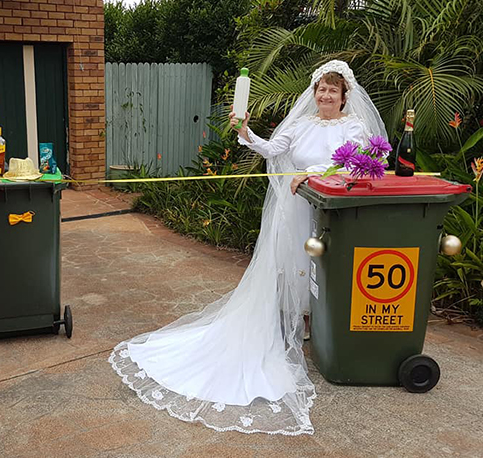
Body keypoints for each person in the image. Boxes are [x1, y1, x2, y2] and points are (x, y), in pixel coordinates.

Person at [109, 60, 387, 435]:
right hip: (295, 208)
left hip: (331, 210)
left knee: (325, 266)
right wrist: (244, 130)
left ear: (344, 95)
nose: (324, 96)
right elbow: (272, 149)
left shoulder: (355, 127)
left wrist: (316, 173)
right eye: (320, 89)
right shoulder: (302, 124)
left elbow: (366, 165)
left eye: (332, 91)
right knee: (295, 264)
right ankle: (298, 323)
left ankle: (320, 324)